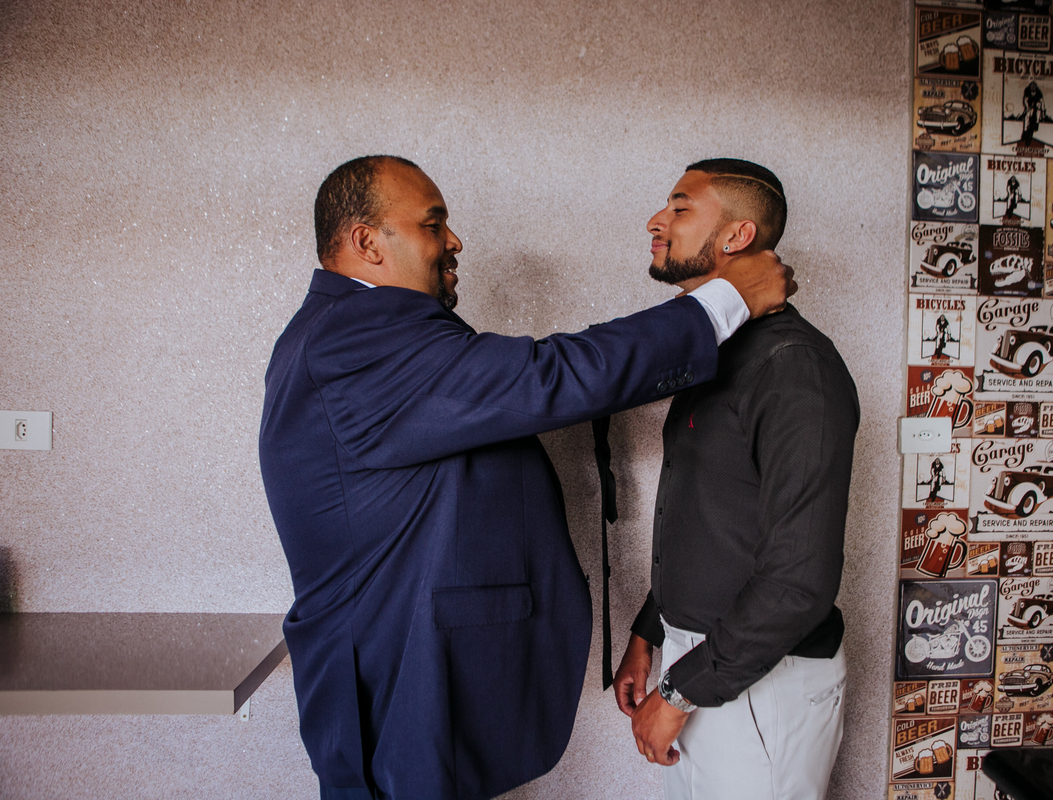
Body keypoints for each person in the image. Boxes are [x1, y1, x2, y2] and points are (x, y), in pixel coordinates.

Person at [258, 155, 794, 800]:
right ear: (367, 242)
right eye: (433, 225)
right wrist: (726, 301)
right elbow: (547, 379)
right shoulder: (354, 338)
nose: (455, 241)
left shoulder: (356, 331)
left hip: (409, 670)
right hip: (392, 681)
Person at [612, 159, 859, 800]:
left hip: (761, 685)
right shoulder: (714, 353)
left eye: (680, 207)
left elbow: (799, 582)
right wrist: (651, 633)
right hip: (701, 665)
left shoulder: (794, 367)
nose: (656, 221)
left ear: (738, 236)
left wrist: (679, 691)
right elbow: (710, 520)